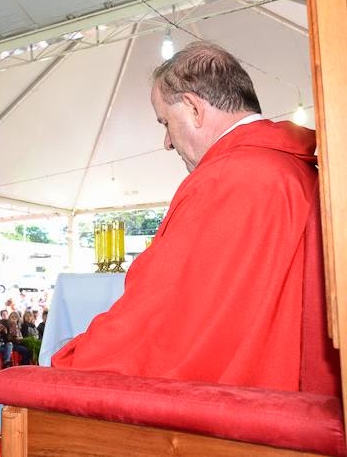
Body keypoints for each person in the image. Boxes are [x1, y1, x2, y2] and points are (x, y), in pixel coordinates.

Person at [52, 42, 321, 392]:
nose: (167, 142)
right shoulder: (298, 168)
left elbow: (157, 315)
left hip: (241, 403)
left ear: (193, 108)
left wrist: (73, 360)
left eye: (166, 122)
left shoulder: (224, 179)